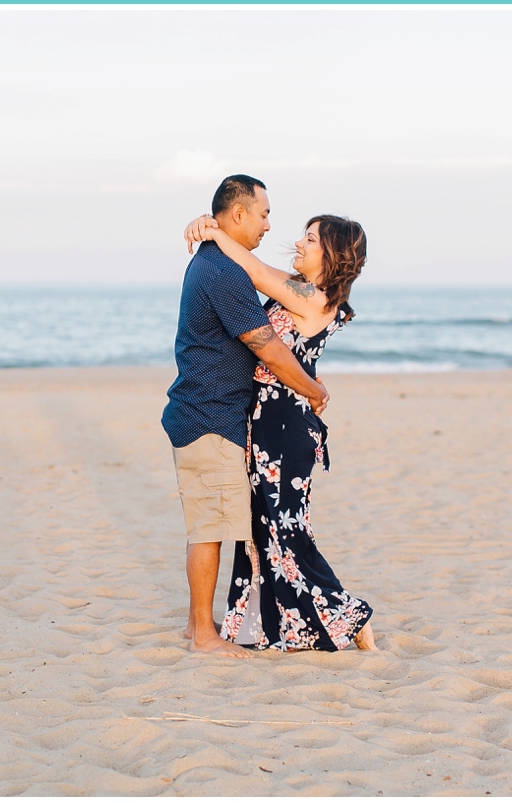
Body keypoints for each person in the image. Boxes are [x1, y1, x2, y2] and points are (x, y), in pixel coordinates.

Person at [183, 210, 377, 652]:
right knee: (263, 530)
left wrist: (212, 231)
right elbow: (249, 275)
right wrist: (214, 228)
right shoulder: (303, 293)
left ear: (333, 254)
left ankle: (348, 616)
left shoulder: (313, 298)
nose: (300, 244)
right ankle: (264, 625)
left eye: (311, 239)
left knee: (286, 530)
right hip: (265, 425)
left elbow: (251, 269)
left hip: (286, 429)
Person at [162, 175, 330, 658]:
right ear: (238, 214)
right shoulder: (221, 273)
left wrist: (209, 228)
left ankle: (200, 626)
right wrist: (314, 390)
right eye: (263, 214)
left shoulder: (219, 262)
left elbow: (264, 275)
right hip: (209, 418)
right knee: (209, 528)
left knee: (211, 523)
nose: (268, 224)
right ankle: (203, 636)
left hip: (212, 415)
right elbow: (268, 347)